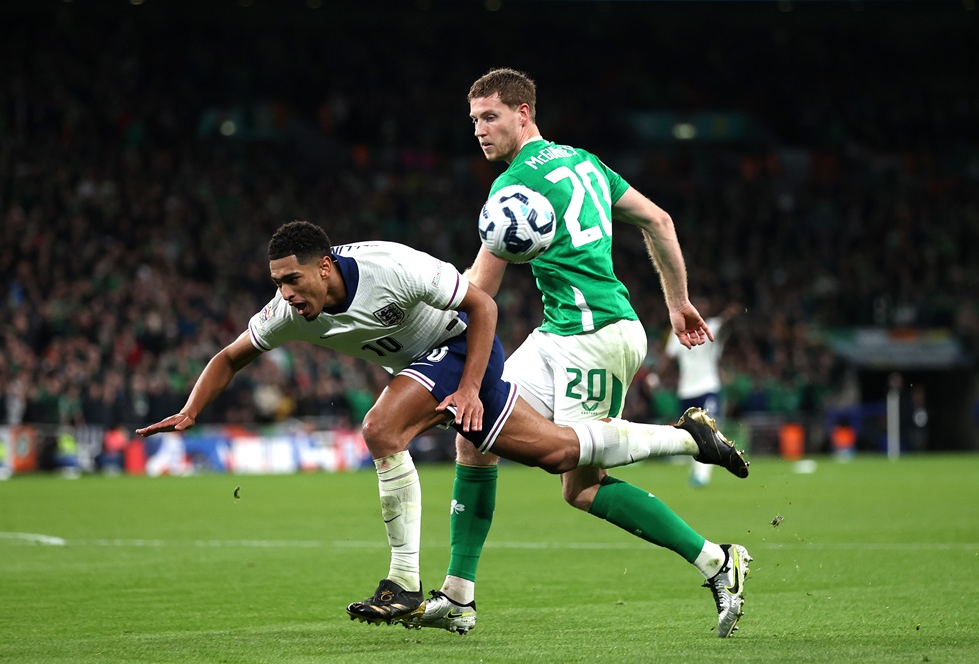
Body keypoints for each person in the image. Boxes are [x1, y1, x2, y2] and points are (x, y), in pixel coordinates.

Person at [134, 220, 746, 628]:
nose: (286, 294)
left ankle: (403, 584)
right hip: (436, 371)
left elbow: (483, 304)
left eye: (293, 279)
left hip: (464, 348)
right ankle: (458, 598)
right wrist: (192, 410)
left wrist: (472, 387)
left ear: (325, 266)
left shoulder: (389, 267)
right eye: (277, 284)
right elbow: (229, 356)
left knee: (380, 429)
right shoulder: (288, 311)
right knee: (568, 471)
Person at [403, 68, 752, 639]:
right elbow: (658, 220)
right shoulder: (583, 161)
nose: (479, 130)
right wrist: (678, 302)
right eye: (473, 121)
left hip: (595, 337)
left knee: (578, 482)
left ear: (524, 114)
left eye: (490, 117)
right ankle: (459, 596)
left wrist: (414, 318)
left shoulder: (515, 187)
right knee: (476, 431)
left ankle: (709, 529)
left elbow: (479, 289)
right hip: (562, 331)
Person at [659, 299, 742, 487]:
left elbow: (725, 324)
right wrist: (656, 378)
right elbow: (668, 359)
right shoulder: (677, 332)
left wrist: (730, 316)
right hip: (686, 391)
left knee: (711, 430)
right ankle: (695, 469)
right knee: (689, 433)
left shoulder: (711, 326)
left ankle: (701, 475)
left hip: (708, 388)